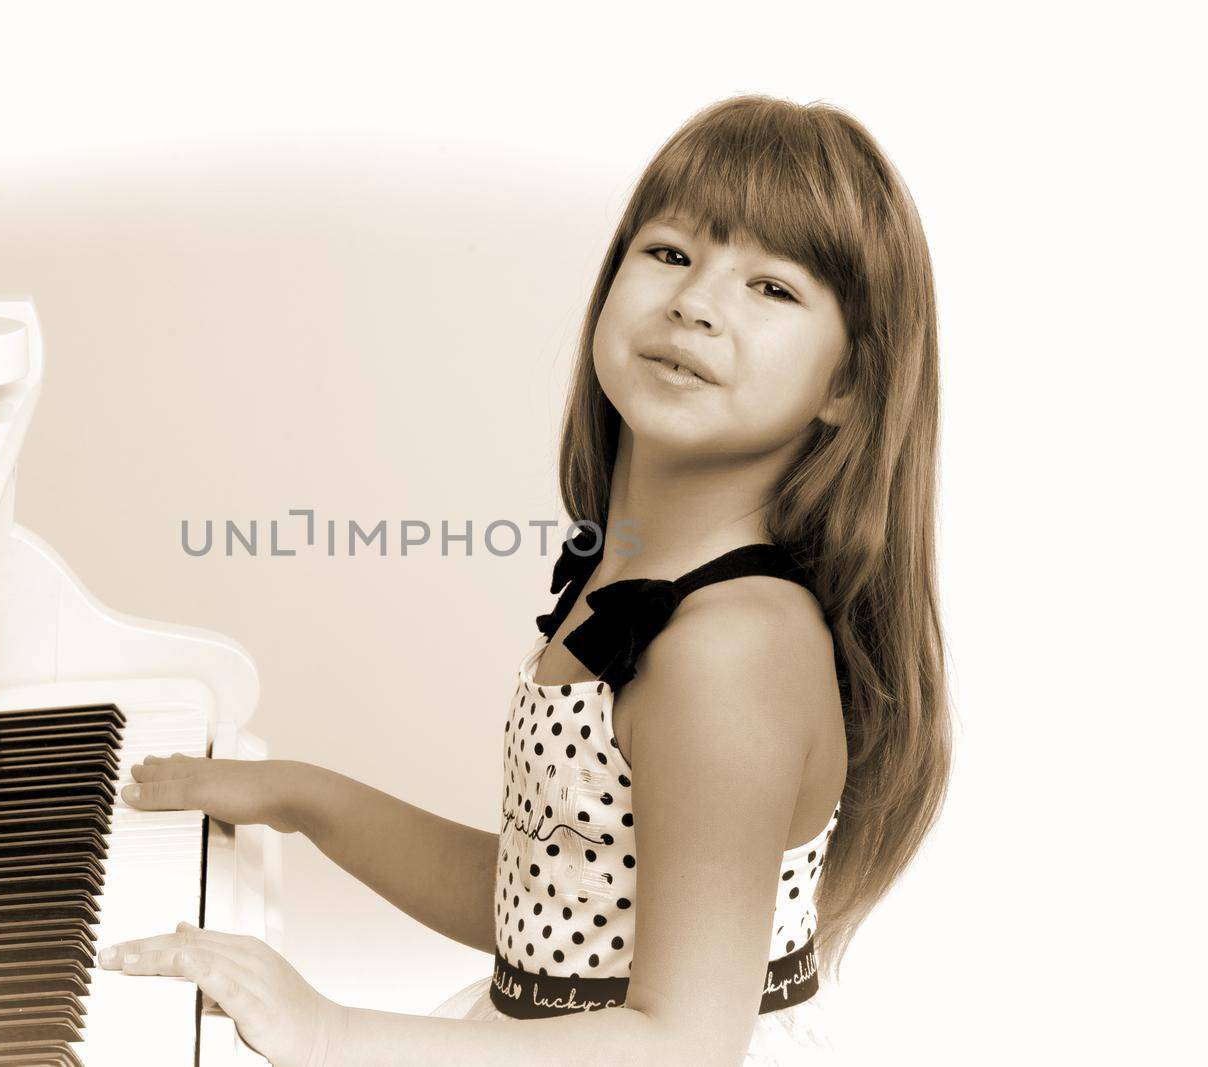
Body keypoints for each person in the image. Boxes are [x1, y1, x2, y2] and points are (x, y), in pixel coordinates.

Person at [97, 93, 953, 1066]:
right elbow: (547, 901)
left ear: (848, 384)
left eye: (773, 288)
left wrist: (329, 1027)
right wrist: (305, 796)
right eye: (670, 252)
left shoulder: (731, 646)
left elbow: (682, 1041)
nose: (696, 302)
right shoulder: (635, 580)